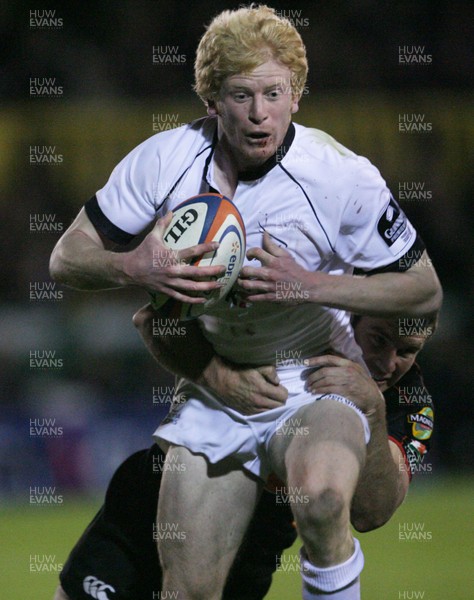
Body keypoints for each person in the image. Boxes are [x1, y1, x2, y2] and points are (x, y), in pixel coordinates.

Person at [50, 5, 442, 599]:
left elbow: (423, 287)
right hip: (217, 395)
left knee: (324, 499)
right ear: (211, 100)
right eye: (241, 95)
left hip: (313, 382)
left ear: (297, 96)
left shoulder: (341, 177)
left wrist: (309, 283)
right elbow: (65, 258)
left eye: (274, 93)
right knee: (190, 588)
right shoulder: (163, 162)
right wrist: (132, 263)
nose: (260, 113)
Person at [54, 311, 436, 600]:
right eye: (379, 339)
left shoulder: (407, 401)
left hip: (251, 552)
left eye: (407, 351)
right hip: (149, 509)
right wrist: (218, 376)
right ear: (349, 314)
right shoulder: (286, 319)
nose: (388, 362)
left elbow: (371, 513)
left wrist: (374, 411)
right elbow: (153, 318)